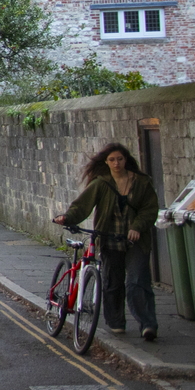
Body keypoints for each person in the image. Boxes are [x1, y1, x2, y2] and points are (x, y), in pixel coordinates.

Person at [57, 142, 162, 341]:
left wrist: (137, 227)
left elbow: (150, 209)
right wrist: (67, 217)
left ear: (126, 160)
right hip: (109, 240)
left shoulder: (141, 183)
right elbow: (82, 206)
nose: (116, 163)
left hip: (135, 241)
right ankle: (116, 323)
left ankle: (148, 325)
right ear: (106, 162)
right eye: (112, 160)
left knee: (137, 282)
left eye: (120, 159)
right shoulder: (101, 184)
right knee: (112, 283)